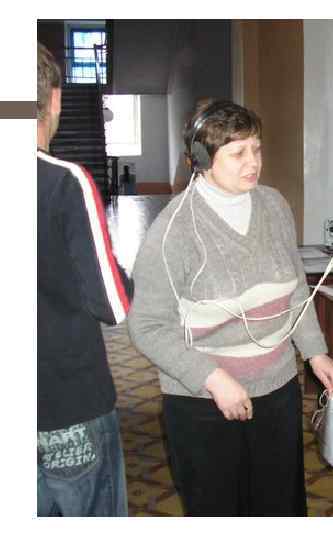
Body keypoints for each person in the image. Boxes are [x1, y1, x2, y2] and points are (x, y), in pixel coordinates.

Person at [127, 100, 333, 516]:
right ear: (203, 160)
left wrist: (316, 352)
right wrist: (212, 379)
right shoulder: (174, 229)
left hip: (278, 389)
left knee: (279, 507)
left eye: (256, 149)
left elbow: (295, 289)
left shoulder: (274, 205)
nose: (253, 162)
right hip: (204, 401)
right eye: (238, 153)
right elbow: (147, 326)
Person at [37, 42, 132, 517]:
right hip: (67, 403)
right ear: (54, 98)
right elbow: (111, 304)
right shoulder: (64, 181)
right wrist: (125, 277)